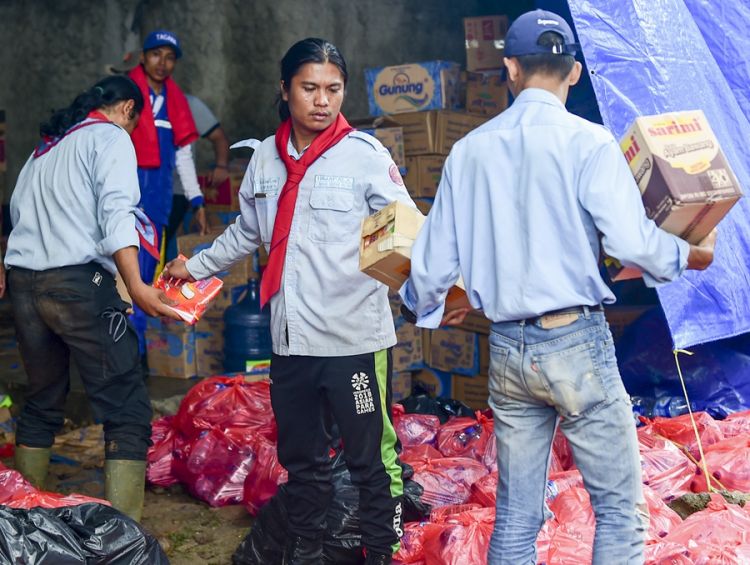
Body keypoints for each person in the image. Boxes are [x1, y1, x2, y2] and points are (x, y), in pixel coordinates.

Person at [399, 9, 717, 565]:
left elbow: (432, 264)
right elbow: (633, 242)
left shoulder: (470, 151)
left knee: (519, 516)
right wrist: (688, 255)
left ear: (511, 68)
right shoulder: (590, 143)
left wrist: (427, 307)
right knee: (619, 510)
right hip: (576, 343)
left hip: (508, 348)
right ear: (573, 73)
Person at [164, 37, 414, 564]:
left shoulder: (366, 157)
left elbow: (409, 236)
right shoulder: (264, 161)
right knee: (303, 462)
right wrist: (195, 264)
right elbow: (246, 234)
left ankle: (383, 554)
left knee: (370, 461)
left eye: (333, 89)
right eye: (309, 88)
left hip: (353, 340)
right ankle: (303, 554)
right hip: (291, 341)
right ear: (285, 89)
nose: (322, 101)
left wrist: (430, 291)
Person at [3, 75, 180, 521]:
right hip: (78, 285)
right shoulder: (110, 137)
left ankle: (25, 522)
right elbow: (116, 213)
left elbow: (15, 215)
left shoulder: (41, 151)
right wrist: (137, 287)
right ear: (126, 110)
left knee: (43, 399)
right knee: (126, 406)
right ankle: (125, 537)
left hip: (24, 286)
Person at [127, 29, 207, 351]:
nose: (162, 62)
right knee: (117, 275)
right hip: (122, 200)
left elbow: (184, 156)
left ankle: (138, 354)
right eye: (156, 54)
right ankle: (124, 352)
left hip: (156, 204)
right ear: (143, 57)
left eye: (170, 57)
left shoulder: (175, 100)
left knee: (146, 276)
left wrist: (197, 201)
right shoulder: (125, 95)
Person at [165, 94, 231, 253]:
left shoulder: (187, 103)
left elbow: (219, 137)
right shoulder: (134, 102)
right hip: (143, 192)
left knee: (164, 246)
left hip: (178, 191)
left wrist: (221, 166)